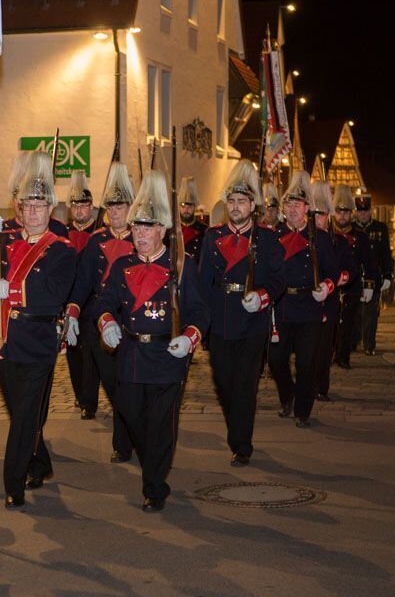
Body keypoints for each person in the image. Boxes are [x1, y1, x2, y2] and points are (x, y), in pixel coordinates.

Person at [94, 170, 208, 510]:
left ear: (162, 229)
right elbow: (103, 303)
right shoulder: (121, 265)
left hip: (166, 356)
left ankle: (154, 486)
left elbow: (201, 312)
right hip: (130, 355)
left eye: (146, 228)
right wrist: (107, 323)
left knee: (161, 424)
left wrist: (189, 338)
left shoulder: (182, 266)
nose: (139, 234)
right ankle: (153, 468)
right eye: (135, 227)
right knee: (131, 414)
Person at [0, 151, 77, 509]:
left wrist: (12, 291)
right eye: (27, 205)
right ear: (18, 206)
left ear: (50, 209)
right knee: (23, 413)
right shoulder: (5, 240)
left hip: (37, 341)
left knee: (24, 416)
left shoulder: (61, 250)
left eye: (39, 205)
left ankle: (12, 483)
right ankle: (40, 461)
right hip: (3, 339)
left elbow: (54, 294)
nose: (32, 212)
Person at [198, 160, 284, 465]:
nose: (235, 207)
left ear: (252, 205)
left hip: (252, 321)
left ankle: (241, 443)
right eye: (231, 201)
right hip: (221, 318)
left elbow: (278, 279)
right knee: (223, 381)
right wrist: (200, 325)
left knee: (246, 383)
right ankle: (237, 429)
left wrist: (262, 296)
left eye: (241, 202)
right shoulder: (212, 237)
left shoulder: (268, 239)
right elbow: (202, 283)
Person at [64, 162, 137, 461]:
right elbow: (81, 282)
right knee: (112, 385)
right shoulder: (97, 242)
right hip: (99, 322)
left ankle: (129, 437)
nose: (116, 212)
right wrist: (72, 312)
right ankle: (124, 440)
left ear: (131, 207)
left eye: (121, 207)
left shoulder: (140, 240)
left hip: (131, 322)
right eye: (112, 207)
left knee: (129, 383)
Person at [269, 170, 340, 428]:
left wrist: (327, 286)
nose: (292, 209)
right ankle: (287, 396)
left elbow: (333, 271)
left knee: (307, 362)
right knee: (276, 360)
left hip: (309, 306)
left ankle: (302, 409)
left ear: (307, 208)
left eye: (297, 205)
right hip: (281, 306)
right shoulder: (273, 235)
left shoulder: (318, 237)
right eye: (288, 204)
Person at [310, 181, 356, 402]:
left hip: (328, 300)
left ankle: (321, 386)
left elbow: (350, 271)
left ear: (327, 215)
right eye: (313, 214)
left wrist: (335, 281)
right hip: (305, 301)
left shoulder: (338, 241)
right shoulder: (304, 239)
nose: (316, 219)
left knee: (324, 345)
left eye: (320, 214)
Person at [64, 170, 100, 419]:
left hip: (92, 302)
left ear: (91, 207)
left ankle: (90, 400)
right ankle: (79, 395)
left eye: (84, 205)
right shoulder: (63, 235)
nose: (79, 210)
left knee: (90, 352)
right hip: (69, 302)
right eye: (75, 205)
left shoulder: (98, 235)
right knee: (73, 352)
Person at [331, 185, 377, 369]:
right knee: (332, 323)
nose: (342, 216)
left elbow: (370, 263)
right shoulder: (328, 234)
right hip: (332, 285)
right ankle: (332, 352)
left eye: (346, 212)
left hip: (353, 285)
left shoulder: (361, 237)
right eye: (339, 212)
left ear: (352, 214)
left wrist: (369, 285)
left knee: (350, 323)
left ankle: (344, 356)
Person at [352, 194, 393, 355]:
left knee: (370, 314)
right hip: (354, 277)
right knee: (355, 312)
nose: (362, 214)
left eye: (365, 211)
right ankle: (353, 342)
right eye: (360, 211)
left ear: (370, 211)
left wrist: (388, 274)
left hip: (373, 277)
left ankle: (369, 345)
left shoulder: (380, 228)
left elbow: (385, 254)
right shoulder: (351, 228)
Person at [2, 150, 69, 238]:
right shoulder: (3, 231)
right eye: (16, 194)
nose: (19, 202)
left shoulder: (57, 228)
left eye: (38, 204)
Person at [177, 176, 207, 262]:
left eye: (189, 206)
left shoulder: (203, 230)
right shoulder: (171, 229)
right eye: (183, 206)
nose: (186, 210)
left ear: (195, 207)